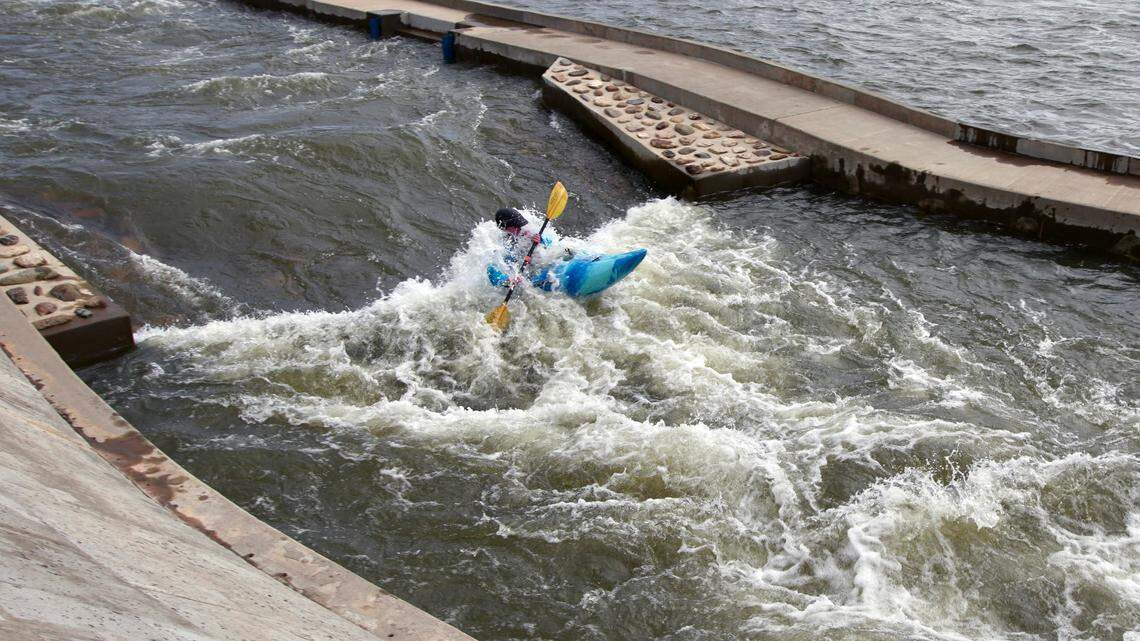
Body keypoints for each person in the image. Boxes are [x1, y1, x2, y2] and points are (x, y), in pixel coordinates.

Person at [488, 207, 554, 289]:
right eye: (516, 226)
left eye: (520, 226)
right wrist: (508, 281)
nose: (519, 228)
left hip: (533, 270)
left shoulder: (526, 231)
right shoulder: (501, 244)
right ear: (505, 227)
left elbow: (550, 244)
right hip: (515, 278)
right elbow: (493, 270)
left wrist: (541, 241)